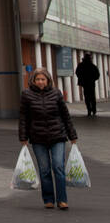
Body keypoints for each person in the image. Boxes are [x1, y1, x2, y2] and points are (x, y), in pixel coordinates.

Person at [19, 67, 78, 210]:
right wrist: (23, 137)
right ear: (33, 81)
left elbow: (65, 116)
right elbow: (23, 118)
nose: (40, 82)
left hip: (57, 136)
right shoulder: (26, 95)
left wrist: (72, 135)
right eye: (37, 79)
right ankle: (48, 199)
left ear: (48, 80)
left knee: (58, 166)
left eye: (43, 79)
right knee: (44, 170)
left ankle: (62, 200)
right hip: (38, 138)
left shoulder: (56, 93)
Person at [75, 53, 100, 118]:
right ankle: (94, 110)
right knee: (92, 97)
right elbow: (97, 75)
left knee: (87, 97)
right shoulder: (93, 66)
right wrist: (93, 79)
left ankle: (89, 110)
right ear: (90, 59)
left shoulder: (80, 65)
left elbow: (77, 73)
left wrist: (81, 78)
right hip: (91, 84)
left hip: (84, 84)